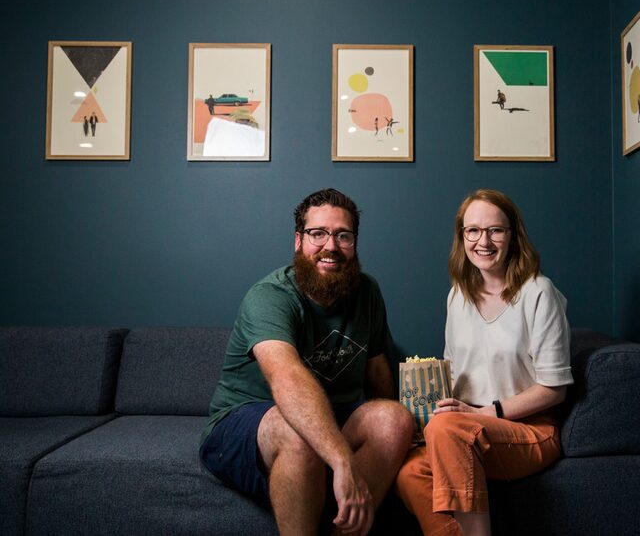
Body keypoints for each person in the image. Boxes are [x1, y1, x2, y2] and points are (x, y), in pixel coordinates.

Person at [200, 188, 414, 536]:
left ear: (355, 242)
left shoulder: (367, 291)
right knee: (299, 434)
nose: (331, 246)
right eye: (318, 234)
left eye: (343, 235)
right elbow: (286, 377)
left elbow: (377, 370)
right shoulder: (271, 296)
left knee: (396, 420)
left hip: (333, 416)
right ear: (298, 241)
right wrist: (343, 460)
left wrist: (402, 439)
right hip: (246, 422)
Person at [395, 189, 573, 536]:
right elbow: (452, 369)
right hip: (463, 428)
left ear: (512, 236)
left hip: (529, 430)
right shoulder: (457, 295)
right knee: (409, 471)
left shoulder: (539, 292)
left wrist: (480, 414)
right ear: (462, 238)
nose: (483, 241)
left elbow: (554, 390)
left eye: (495, 230)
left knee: (448, 429)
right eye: (473, 231)